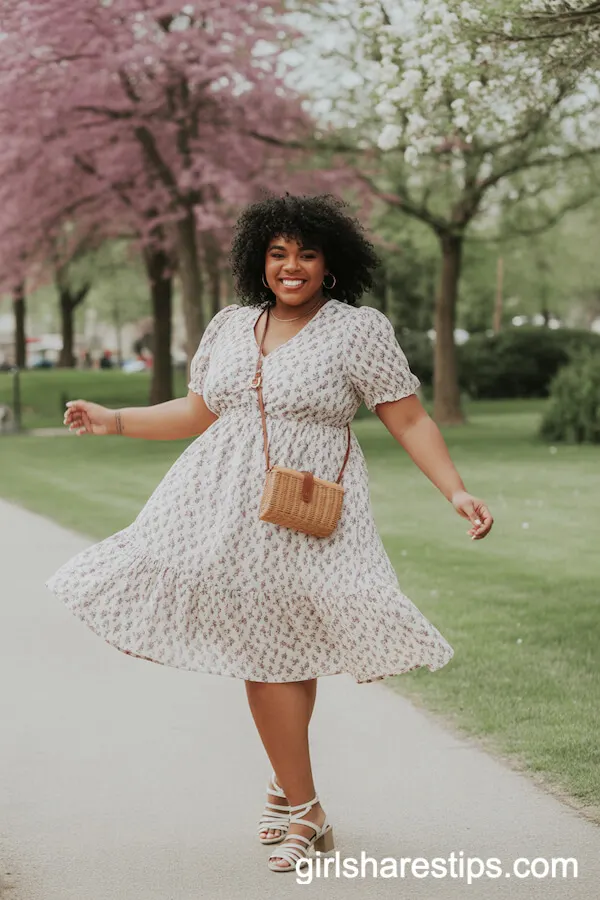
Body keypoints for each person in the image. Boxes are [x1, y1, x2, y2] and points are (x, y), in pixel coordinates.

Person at [46, 193, 493, 874]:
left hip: (310, 508)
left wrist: (455, 490)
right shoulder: (230, 324)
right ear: (260, 260)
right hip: (222, 503)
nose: (292, 266)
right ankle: (298, 796)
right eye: (278, 253)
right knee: (272, 647)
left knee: (286, 644)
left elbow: (409, 419)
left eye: (307, 254)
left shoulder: (357, 331)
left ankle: (299, 804)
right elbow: (198, 411)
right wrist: (113, 419)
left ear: (330, 265)